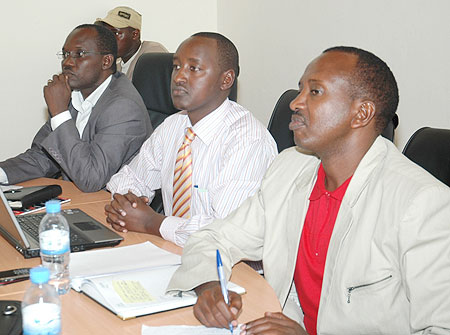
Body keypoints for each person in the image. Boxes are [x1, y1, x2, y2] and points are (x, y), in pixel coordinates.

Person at [167, 47, 450, 334]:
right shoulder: (289, 168)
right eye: (300, 89)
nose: (295, 103)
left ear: (361, 113)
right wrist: (209, 286)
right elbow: (213, 238)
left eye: (315, 92)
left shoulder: (422, 203)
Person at [105, 32, 278, 247]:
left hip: (228, 267)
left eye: (193, 68)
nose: (178, 77)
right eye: (176, 67)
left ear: (226, 80)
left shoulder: (247, 142)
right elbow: (130, 179)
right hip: (172, 250)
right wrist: (127, 202)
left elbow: (227, 232)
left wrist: (152, 222)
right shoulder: (174, 125)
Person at [0, 24, 152, 192]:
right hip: (77, 197)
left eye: (79, 54)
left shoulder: (123, 106)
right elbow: (42, 157)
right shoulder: (75, 94)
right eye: (66, 54)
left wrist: (59, 112)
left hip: (109, 206)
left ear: (106, 61)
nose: (67, 62)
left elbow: (91, 178)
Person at [95, 6, 168, 80]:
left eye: (115, 33)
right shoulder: (117, 67)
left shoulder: (152, 53)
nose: (108, 39)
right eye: (107, 33)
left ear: (135, 34)